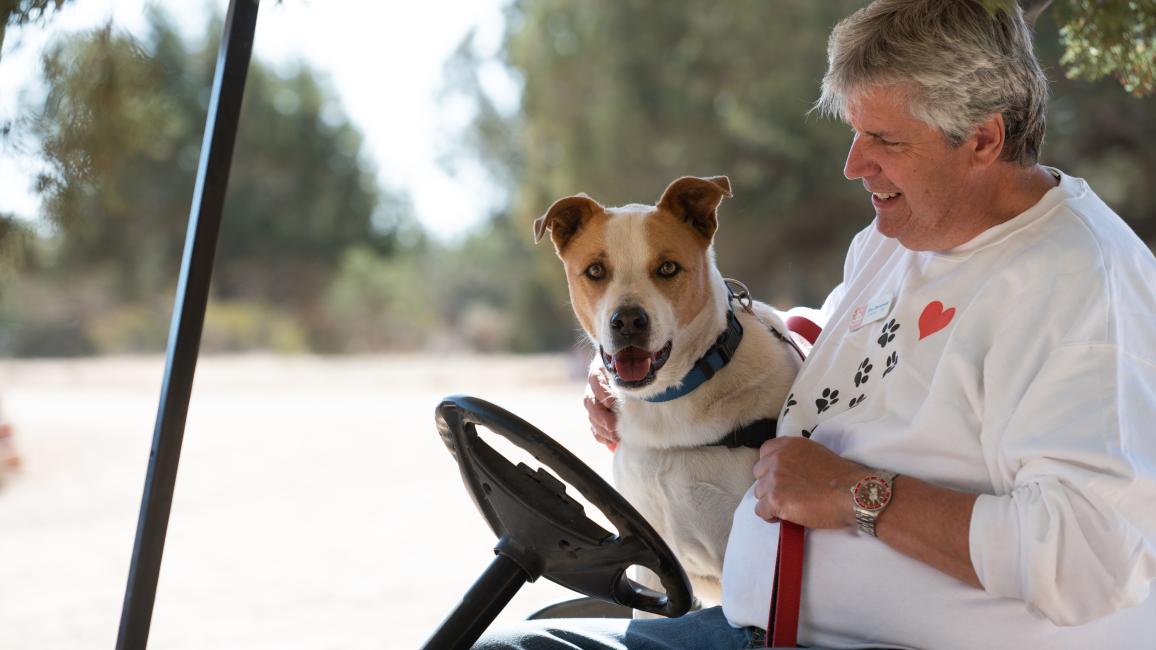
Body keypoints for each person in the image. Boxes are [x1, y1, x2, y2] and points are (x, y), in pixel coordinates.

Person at [476, 1, 1156, 648]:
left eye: (885, 140)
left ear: (982, 139)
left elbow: (1089, 558)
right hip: (762, 622)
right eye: (855, 133)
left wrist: (855, 496)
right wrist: (659, 371)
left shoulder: (1079, 285)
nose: (853, 165)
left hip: (885, 643)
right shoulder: (901, 238)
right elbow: (849, 352)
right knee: (508, 642)